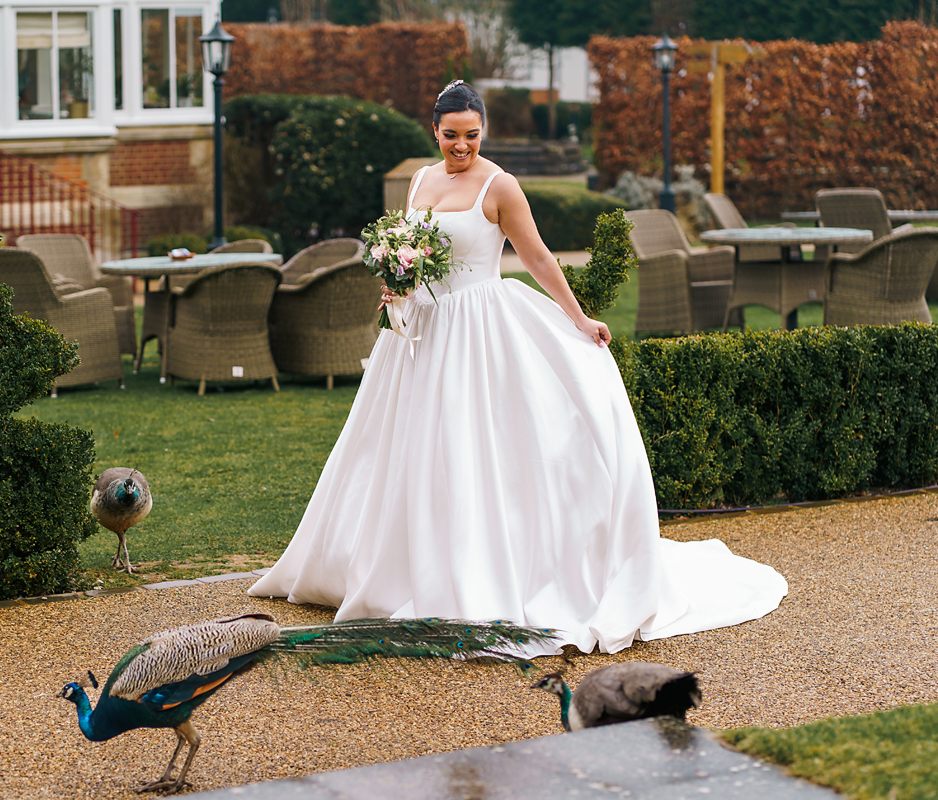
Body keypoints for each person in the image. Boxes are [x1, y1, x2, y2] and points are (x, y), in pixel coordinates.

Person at [249, 81, 787, 655]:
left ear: (484, 132)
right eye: (451, 135)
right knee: (399, 452)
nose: (462, 146)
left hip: (477, 330)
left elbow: (536, 256)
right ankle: (396, 568)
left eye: (472, 135)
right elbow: (408, 247)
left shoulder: (500, 185)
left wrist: (578, 318)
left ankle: (476, 573)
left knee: (472, 447)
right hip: (419, 334)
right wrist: (396, 282)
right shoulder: (420, 179)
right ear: (435, 131)